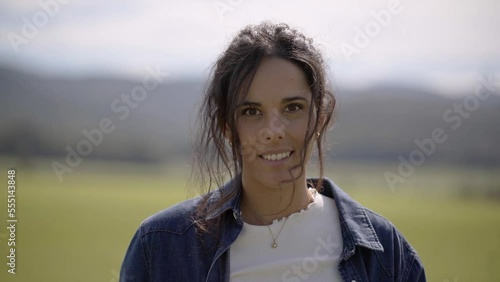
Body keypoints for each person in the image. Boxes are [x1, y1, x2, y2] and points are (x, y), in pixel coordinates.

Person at [120, 21, 426, 282]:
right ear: (228, 126)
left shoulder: (386, 253)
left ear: (319, 117)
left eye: (293, 107)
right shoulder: (160, 245)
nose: (274, 130)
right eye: (252, 112)